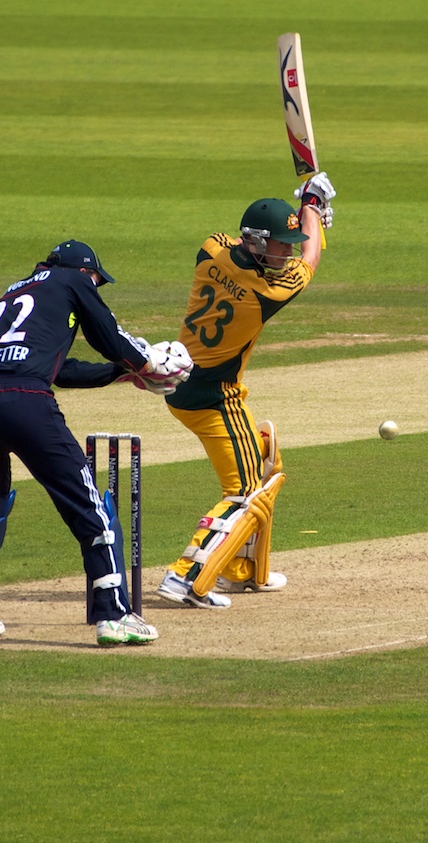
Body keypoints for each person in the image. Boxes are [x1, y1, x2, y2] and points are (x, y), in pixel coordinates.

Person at [0, 240, 191, 647]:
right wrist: (149, 363)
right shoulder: (72, 281)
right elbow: (110, 335)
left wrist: (122, 375)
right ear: (84, 272)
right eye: (96, 279)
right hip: (25, 402)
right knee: (88, 503)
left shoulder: (16, 289)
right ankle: (114, 618)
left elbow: (59, 369)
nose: (96, 286)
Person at [155, 175, 336, 610]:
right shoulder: (268, 291)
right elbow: (311, 257)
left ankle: (239, 572)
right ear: (257, 243)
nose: (288, 251)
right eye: (280, 245)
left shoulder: (210, 249)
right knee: (246, 493)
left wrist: (307, 214)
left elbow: (285, 245)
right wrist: (313, 204)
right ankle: (186, 576)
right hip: (215, 396)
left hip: (179, 382)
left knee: (265, 461)